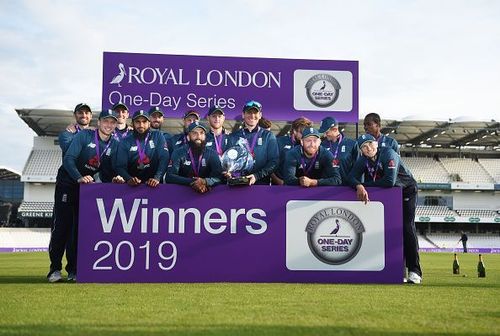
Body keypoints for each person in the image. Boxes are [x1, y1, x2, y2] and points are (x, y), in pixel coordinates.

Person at [48, 109, 119, 283]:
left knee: (78, 231)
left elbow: (107, 172)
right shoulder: (84, 136)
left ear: (115, 125)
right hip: (68, 184)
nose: (109, 125)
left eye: (112, 122)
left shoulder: (114, 144)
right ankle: (54, 269)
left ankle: (74, 269)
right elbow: (69, 159)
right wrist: (78, 177)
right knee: (61, 228)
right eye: (106, 121)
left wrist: (115, 178)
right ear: (99, 122)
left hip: (87, 189)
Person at [347, 134, 422, 284]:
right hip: (389, 195)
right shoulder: (364, 159)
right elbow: (350, 177)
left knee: (406, 228)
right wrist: (358, 185)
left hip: (406, 190)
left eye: (370, 144)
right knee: (386, 230)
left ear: (376, 143)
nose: (368, 148)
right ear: (361, 150)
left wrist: (365, 185)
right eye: (364, 146)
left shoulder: (388, 153)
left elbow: (389, 181)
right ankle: (397, 271)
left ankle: (415, 271)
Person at [228, 100, 279, 185]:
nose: (252, 115)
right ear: (243, 115)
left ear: (260, 115)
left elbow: (274, 161)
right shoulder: (233, 136)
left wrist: (257, 176)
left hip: (261, 186)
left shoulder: (268, 136)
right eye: (249, 112)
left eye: (255, 113)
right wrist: (229, 172)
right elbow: (229, 161)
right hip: (238, 185)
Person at [115, 109, 169, 187]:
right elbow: (120, 166)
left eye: (144, 122)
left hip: (154, 186)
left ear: (149, 123)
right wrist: (129, 179)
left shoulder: (157, 136)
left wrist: (157, 178)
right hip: (132, 187)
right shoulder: (125, 141)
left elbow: (164, 159)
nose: (141, 125)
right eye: (137, 122)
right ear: (132, 123)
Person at [165, 121, 223, 193]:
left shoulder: (212, 153)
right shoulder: (178, 152)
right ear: (188, 137)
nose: (198, 136)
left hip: (207, 195)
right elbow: (170, 177)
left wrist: (205, 181)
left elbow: (219, 178)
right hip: (181, 195)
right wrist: (194, 182)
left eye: (201, 133)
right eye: (194, 133)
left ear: (205, 137)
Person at [319, 116, 358, 185]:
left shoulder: (352, 144)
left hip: (346, 188)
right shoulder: (321, 145)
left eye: (327, 132)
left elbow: (358, 168)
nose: (324, 135)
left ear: (335, 129)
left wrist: (358, 184)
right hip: (326, 187)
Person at [273, 117, 313, 185]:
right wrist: (278, 181)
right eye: (303, 134)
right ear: (294, 131)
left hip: (302, 186)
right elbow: (269, 165)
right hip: (280, 186)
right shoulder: (279, 142)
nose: (305, 136)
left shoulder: (310, 144)